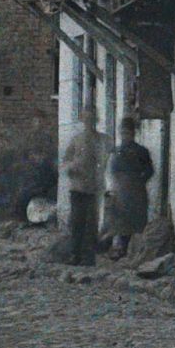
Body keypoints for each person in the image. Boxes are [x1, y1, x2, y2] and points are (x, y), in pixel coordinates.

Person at [104, 117, 155, 262]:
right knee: (122, 225)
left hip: (136, 193)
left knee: (137, 225)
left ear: (133, 133)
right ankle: (123, 250)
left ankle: (137, 253)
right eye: (123, 132)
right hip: (121, 193)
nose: (125, 135)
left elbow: (149, 170)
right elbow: (112, 172)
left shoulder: (141, 152)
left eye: (128, 132)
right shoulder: (116, 152)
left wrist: (139, 181)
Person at [60, 113, 103, 267]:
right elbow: (65, 162)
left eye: (91, 120)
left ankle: (89, 257)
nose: (88, 123)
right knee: (77, 222)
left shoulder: (100, 140)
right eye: (86, 120)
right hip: (77, 188)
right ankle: (75, 255)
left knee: (91, 223)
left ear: (95, 122)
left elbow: (104, 161)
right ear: (83, 121)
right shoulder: (76, 140)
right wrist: (73, 167)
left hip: (92, 188)